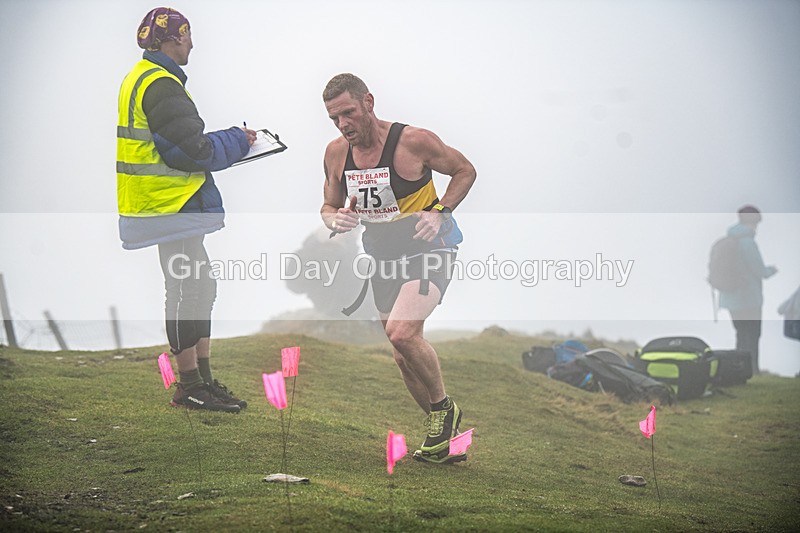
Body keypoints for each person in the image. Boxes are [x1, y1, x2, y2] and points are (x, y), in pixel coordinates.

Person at [320, 74, 477, 463]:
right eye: (334, 118)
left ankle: (444, 408)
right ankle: (447, 440)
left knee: (402, 332)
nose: (343, 125)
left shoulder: (412, 141)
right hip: (382, 257)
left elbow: (465, 170)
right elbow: (328, 206)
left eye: (348, 113)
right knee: (401, 352)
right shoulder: (336, 153)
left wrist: (441, 212)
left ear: (368, 102)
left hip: (430, 248)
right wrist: (334, 220)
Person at [117, 7, 257, 413]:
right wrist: (238, 140)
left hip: (167, 204)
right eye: (187, 35)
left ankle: (203, 381)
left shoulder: (145, 78)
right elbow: (192, 150)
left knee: (201, 287)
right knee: (186, 290)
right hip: (168, 205)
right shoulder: (161, 85)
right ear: (172, 38)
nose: (192, 43)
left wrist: (232, 139)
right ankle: (191, 385)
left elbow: (179, 142)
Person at [718, 205, 778, 374]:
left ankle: (740, 371)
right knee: (752, 336)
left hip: (729, 298)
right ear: (754, 223)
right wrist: (772, 270)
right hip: (748, 298)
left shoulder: (729, 240)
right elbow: (759, 270)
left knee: (741, 335)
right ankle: (752, 370)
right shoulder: (748, 243)